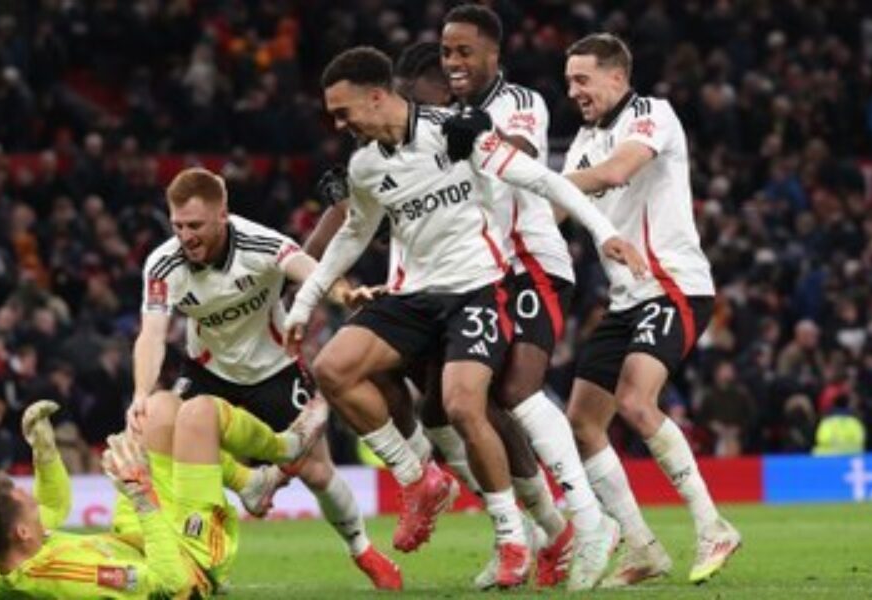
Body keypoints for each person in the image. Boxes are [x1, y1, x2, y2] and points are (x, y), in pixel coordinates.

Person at [286, 45, 643, 588]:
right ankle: (417, 478)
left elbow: (540, 178)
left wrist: (604, 231)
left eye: (343, 111)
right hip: (415, 297)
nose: (338, 124)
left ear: (378, 96)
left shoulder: (455, 133)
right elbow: (355, 233)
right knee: (334, 368)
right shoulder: (364, 164)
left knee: (463, 404)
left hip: (478, 290)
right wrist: (306, 300)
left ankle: (518, 540)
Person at [125, 167, 401, 589]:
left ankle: (362, 549)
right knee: (162, 426)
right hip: (208, 371)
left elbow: (312, 271)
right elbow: (152, 333)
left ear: (223, 216)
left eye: (195, 225)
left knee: (316, 472)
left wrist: (346, 294)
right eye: (178, 225)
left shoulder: (260, 243)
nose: (185, 236)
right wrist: (140, 393)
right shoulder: (163, 264)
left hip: (274, 370)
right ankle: (194, 558)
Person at [440, 6, 617, 589]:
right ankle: (537, 530)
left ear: (494, 54)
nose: (455, 62)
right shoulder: (447, 115)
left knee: (516, 390)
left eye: (465, 51)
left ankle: (589, 522)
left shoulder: (521, 101)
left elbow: (518, 151)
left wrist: (476, 138)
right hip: (480, 273)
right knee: (469, 402)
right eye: (447, 53)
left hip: (531, 262)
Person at [560, 33, 741, 586]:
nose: (574, 92)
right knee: (583, 422)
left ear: (617, 77)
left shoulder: (651, 115)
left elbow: (618, 172)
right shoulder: (580, 143)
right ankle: (642, 546)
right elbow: (556, 209)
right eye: (569, 82)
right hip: (623, 300)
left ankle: (713, 527)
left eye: (583, 80)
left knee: (638, 403)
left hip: (674, 286)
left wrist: (547, 183)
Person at [0, 394, 323, 598]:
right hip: (187, 558)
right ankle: (284, 448)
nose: (34, 499)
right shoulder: (76, 579)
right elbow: (172, 584)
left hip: (137, 533)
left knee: (160, 407)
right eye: (28, 501)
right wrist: (141, 496)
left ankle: (250, 484)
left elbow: (54, 505)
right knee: (200, 414)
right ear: (22, 532)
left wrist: (44, 452)